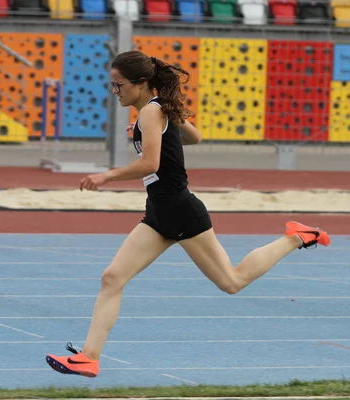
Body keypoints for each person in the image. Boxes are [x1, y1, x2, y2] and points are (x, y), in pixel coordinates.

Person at [45, 50, 330, 378]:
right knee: (112, 278)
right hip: (158, 213)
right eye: (112, 85)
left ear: (140, 83)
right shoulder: (153, 112)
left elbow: (151, 164)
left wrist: (107, 175)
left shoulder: (151, 113)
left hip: (180, 211)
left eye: (119, 84)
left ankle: (296, 237)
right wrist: (158, 125)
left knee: (232, 282)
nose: (115, 91)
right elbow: (195, 137)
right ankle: (88, 357)